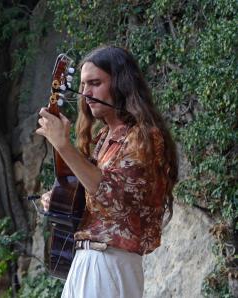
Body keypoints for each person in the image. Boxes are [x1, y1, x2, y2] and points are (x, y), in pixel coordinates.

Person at [36, 45, 178, 297]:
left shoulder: (145, 138)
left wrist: (63, 144)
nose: (86, 93)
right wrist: (60, 197)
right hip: (88, 260)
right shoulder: (104, 137)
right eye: (83, 85)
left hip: (109, 263)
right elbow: (89, 193)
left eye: (95, 83)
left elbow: (112, 197)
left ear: (120, 84)